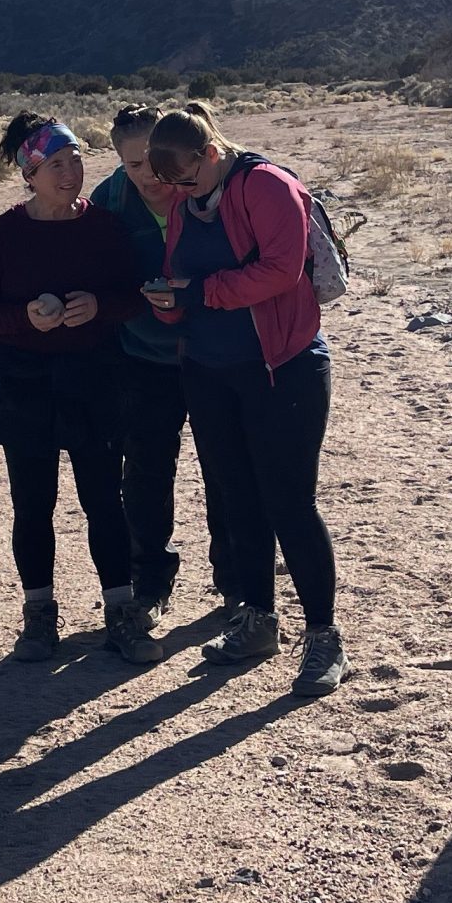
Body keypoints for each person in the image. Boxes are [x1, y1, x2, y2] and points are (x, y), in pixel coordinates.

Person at [141, 102, 347, 698]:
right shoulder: (187, 198)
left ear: (209, 152)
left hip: (282, 368)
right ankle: (257, 620)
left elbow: (281, 271)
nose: (179, 194)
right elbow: (183, 274)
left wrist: (200, 293)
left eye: (187, 179)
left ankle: (324, 636)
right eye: (172, 185)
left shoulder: (267, 185)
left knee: (289, 504)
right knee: (237, 499)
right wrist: (170, 301)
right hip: (209, 370)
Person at [0, 114, 160, 667]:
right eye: (56, 164)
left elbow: (133, 296)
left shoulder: (103, 227)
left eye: (75, 160)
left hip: (95, 383)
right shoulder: (5, 233)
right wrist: (23, 317)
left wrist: (99, 306)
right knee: (33, 505)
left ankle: (120, 613)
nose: (70, 173)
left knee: (104, 501)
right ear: (30, 173)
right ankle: (39, 615)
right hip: (24, 386)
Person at [90, 103, 226, 625]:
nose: (149, 175)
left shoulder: (205, 190)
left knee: (225, 468)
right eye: (133, 165)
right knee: (146, 472)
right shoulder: (109, 202)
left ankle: (236, 581)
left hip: (212, 352)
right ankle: (150, 581)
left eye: (154, 160)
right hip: (143, 357)